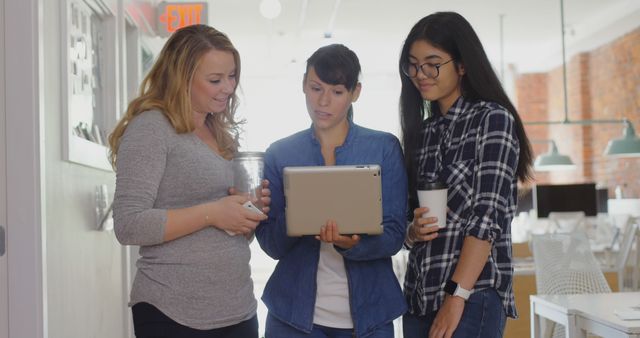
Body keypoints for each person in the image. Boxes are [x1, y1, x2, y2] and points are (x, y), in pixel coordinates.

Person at [108, 24, 270, 338]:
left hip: (237, 308)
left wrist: (246, 214)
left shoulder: (221, 134)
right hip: (173, 311)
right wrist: (213, 212)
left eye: (232, 76)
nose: (228, 87)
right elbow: (128, 224)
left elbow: (230, 234)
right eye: (215, 80)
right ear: (182, 78)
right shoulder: (152, 128)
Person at [255, 44, 408, 338]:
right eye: (315, 88)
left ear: (355, 93)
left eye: (337, 92)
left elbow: (394, 235)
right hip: (292, 317)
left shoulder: (383, 148)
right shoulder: (280, 152)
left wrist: (352, 244)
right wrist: (299, 214)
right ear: (303, 85)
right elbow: (271, 245)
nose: (323, 101)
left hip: (370, 317)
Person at [398, 12, 533, 338]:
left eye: (432, 63)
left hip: (473, 295)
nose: (420, 74)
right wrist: (412, 231)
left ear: (462, 65)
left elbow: (486, 218)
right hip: (419, 296)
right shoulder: (423, 133)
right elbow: (405, 221)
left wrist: (456, 296)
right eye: (413, 64)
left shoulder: (493, 119)